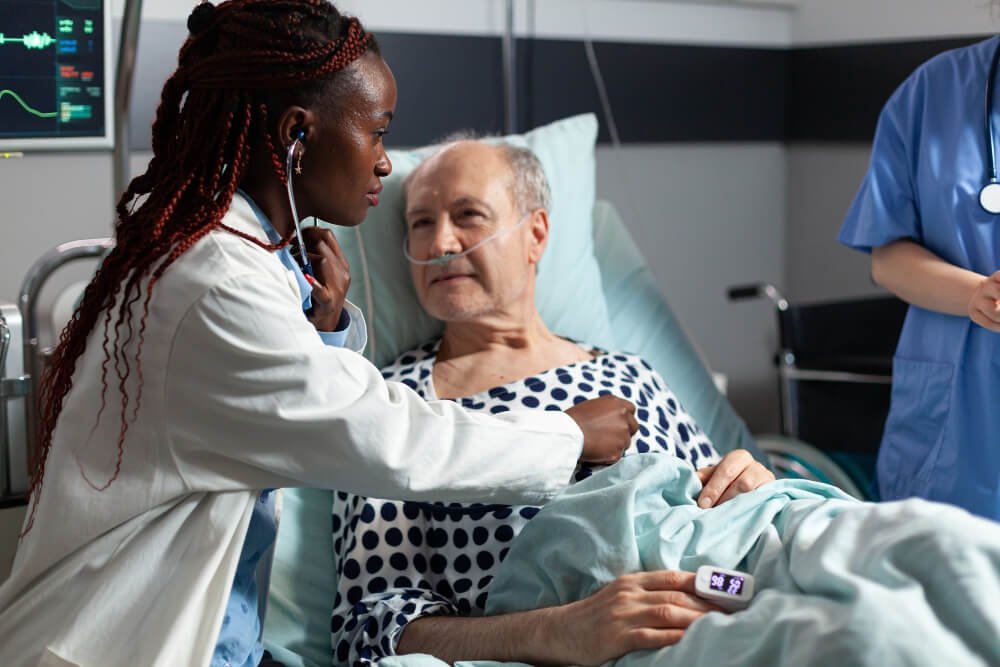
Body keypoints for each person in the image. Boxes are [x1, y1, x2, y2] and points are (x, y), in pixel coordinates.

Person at [0, 4, 639, 667]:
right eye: (379, 133)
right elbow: (385, 438)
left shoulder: (250, 258)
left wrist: (327, 330)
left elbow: (277, 403)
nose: (386, 164)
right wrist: (565, 434)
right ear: (296, 135)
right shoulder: (214, 281)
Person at [329, 139, 775, 665]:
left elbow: (723, 513)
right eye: (420, 224)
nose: (440, 243)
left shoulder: (630, 374)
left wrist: (756, 491)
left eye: (467, 215)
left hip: (722, 615)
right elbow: (371, 626)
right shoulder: (393, 401)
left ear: (535, 234)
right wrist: (561, 632)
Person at [839, 36, 1000, 521]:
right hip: (954, 414)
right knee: (932, 574)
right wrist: (975, 294)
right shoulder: (933, 91)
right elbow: (887, 256)